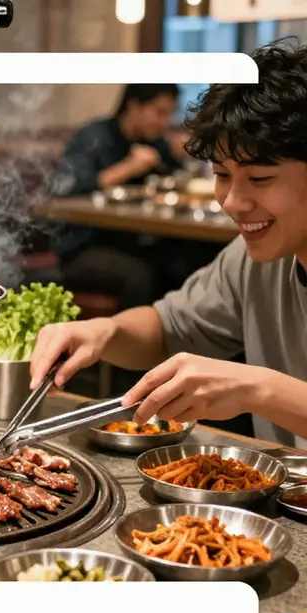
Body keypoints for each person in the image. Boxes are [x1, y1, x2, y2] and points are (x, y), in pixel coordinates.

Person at [30, 41, 307, 449]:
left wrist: (257, 389)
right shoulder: (253, 261)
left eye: (259, 179)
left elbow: (255, 387)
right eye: (221, 174)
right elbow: (171, 328)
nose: (232, 201)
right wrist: (105, 331)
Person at [49, 84, 187, 312]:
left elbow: (175, 178)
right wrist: (128, 168)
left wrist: (180, 154)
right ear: (133, 107)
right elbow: (66, 189)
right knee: (140, 275)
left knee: (182, 264)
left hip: (133, 241)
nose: (164, 122)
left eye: (169, 114)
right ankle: (126, 345)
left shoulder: (154, 141)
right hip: (83, 246)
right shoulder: (93, 137)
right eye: (159, 113)